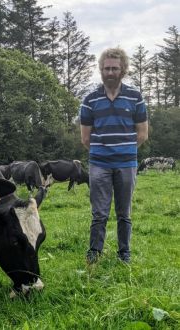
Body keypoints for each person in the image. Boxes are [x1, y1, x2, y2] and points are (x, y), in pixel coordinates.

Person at [80, 47, 148, 264]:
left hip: (126, 163)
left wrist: (123, 150)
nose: (110, 72)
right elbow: (85, 138)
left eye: (114, 68)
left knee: (124, 212)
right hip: (99, 163)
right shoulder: (89, 99)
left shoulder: (135, 97)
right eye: (106, 68)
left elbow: (142, 133)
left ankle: (124, 252)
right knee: (99, 213)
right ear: (101, 69)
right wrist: (105, 150)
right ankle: (94, 252)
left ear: (123, 70)